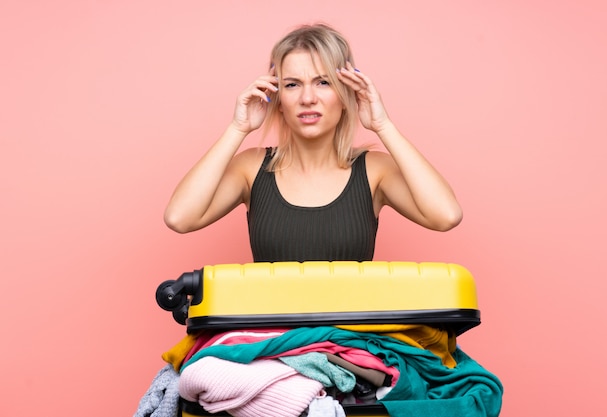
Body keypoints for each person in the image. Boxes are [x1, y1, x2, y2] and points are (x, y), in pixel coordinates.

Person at [164, 23, 462, 262]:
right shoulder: (251, 167)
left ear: (346, 95)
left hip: (349, 337)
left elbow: (446, 216)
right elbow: (180, 218)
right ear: (278, 99)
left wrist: (383, 125)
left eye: (323, 82)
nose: (308, 98)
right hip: (272, 336)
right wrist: (238, 128)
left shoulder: (374, 171)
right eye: (292, 85)